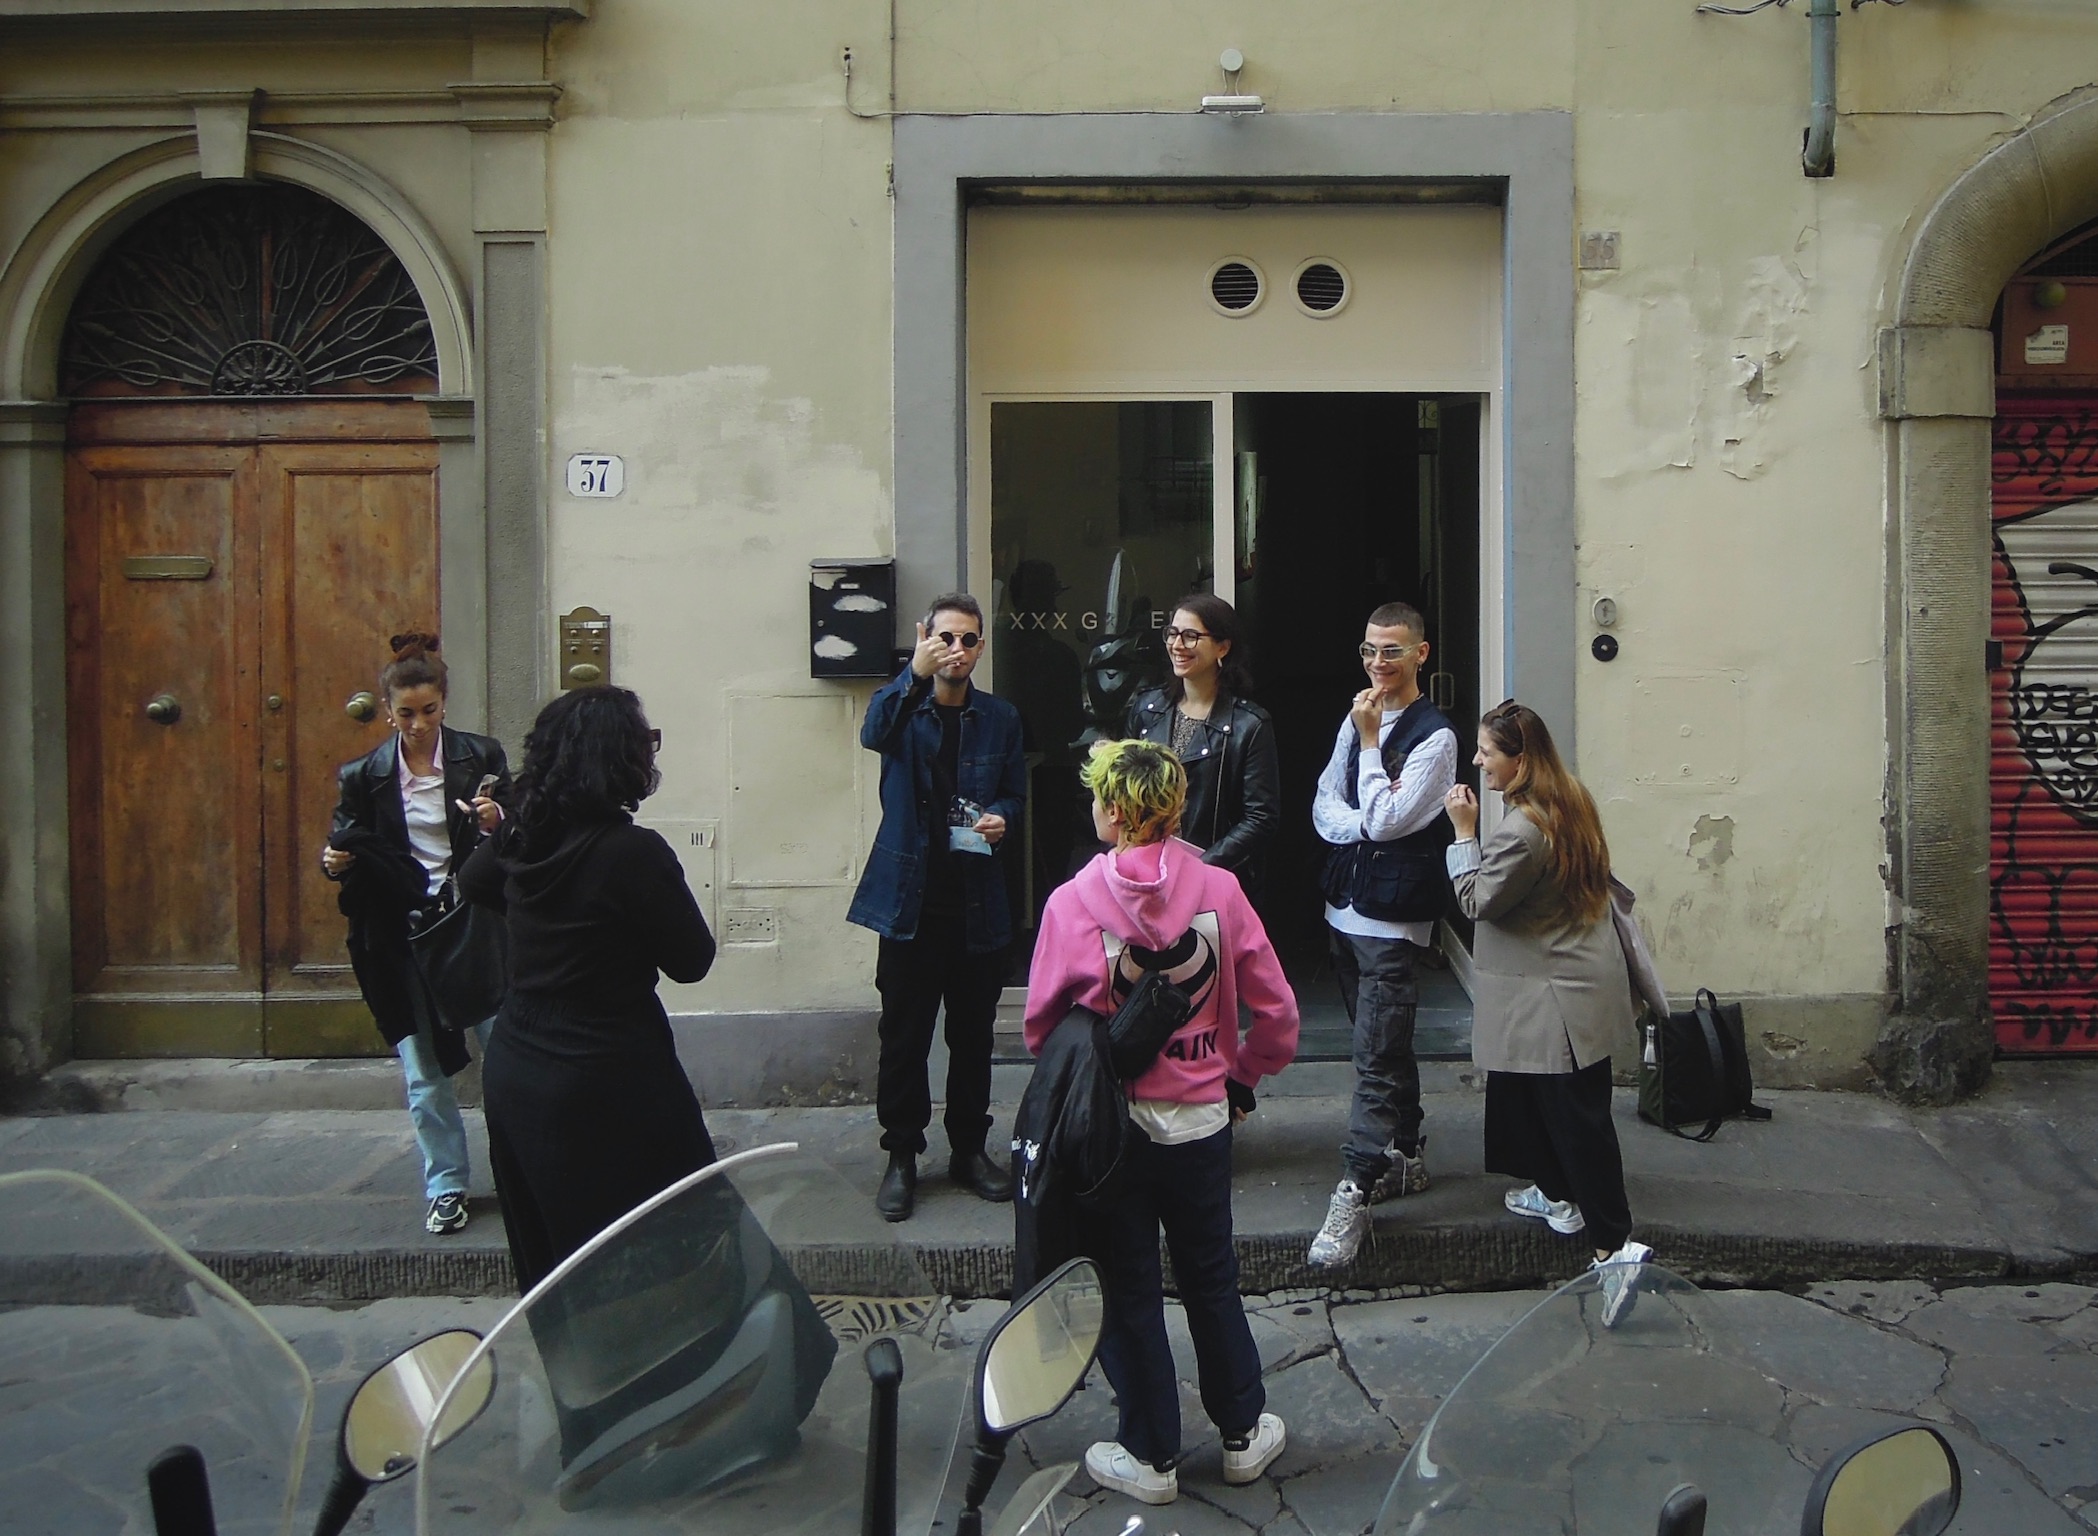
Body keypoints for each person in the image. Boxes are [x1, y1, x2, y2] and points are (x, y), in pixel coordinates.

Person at [1024, 738, 1299, 1506]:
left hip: (1114, 1133)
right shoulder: (1221, 889)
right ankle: (1242, 1434)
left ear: (1114, 812)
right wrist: (1242, 1074)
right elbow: (1279, 1014)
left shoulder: (1072, 902)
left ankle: (1150, 1454)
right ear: (1174, 808)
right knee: (1212, 1279)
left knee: (1130, 1289)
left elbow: (1042, 1030)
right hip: (1202, 1122)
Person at [458, 686, 717, 1292]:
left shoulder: (521, 839)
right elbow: (692, 960)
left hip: (520, 1064)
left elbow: (473, 881)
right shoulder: (633, 852)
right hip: (609, 1069)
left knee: (558, 1264)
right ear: (622, 760)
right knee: (661, 1254)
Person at [1444, 700, 1653, 1326]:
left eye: (1488, 752)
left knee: (1577, 1123)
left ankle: (1614, 1248)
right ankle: (1557, 1194)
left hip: (1553, 997)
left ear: (1521, 760)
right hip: (1569, 982)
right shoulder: (1571, 799)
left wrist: (1462, 834)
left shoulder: (1523, 831)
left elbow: (1476, 901)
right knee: (1534, 1100)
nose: (1478, 761)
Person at [846, 592, 1028, 1221]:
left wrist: (1003, 816)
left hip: (976, 903)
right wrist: (912, 674)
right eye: (945, 638)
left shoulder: (1000, 718)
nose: (956, 650)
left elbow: (1015, 793)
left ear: (980, 648)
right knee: (904, 1037)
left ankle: (969, 1151)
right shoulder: (902, 707)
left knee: (973, 1038)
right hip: (910, 902)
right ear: (926, 637)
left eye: (968, 640)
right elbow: (873, 733)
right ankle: (901, 1154)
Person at [322, 633, 508, 1237]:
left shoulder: (480, 756)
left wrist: (495, 819)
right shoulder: (364, 775)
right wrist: (334, 862)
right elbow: (342, 843)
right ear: (387, 710)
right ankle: (446, 1184)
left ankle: (520, 1170)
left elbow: (518, 835)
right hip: (403, 936)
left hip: (473, 926)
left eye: (429, 711)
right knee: (425, 1072)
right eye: (406, 714)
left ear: (444, 703)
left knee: (509, 1056)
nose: (419, 725)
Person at [1305, 601, 1458, 1269]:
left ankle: (1356, 1189)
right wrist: (1362, 824)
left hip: (1394, 922)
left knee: (1373, 1057)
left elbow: (1393, 820)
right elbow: (1326, 802)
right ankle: (1409, 1153)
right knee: (1386, 1046)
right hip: (1345, 906)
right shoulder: (1357, 714)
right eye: (1369, 649)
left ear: (1421, 653)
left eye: (1391, 650)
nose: (1377, 662)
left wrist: (1370, 747)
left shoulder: (1436, 737)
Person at [1124, 593, 1281, 901]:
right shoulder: (1146, 709)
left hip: (1213, 882)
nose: (1177, 644)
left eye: (1191, 636)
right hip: (1145, 875)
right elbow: (1123, 792)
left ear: (1223, 647)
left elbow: (1261, 817)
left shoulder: (1249, 725)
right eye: (1172, 633)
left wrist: (1199, 868)